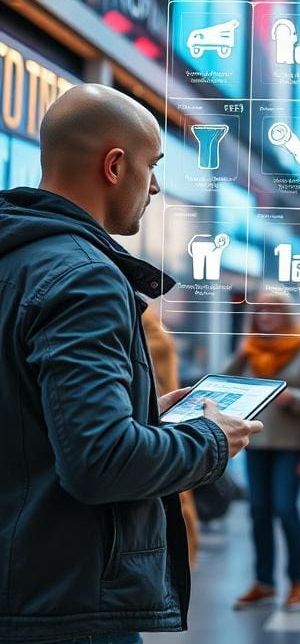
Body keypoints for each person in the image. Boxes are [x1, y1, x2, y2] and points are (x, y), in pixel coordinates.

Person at [0, 84, 261, 643]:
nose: (158, 185)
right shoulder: (84, 277)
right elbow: (100, 461)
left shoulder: (15, 259)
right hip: (67, 607)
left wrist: (142, 412)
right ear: (115, 165)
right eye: (153, 165)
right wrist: (211, 441)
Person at [228, 290, 300, 612]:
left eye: (272, 309)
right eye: (260, 309)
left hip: (291, 443)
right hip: (257, 442)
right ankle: (264, 583)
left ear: (286, 314)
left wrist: (294, 398)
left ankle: (299, 581)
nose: (265, 315)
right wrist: (241, 356)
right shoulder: (251, 349)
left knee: (285, 507)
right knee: (258, 511)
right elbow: (222, 383)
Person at [142, 304, 200, 568]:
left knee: (175, 498)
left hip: (160, 415)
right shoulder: (142, 316)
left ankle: (181, 563)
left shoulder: (143, 317)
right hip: (157, 416)